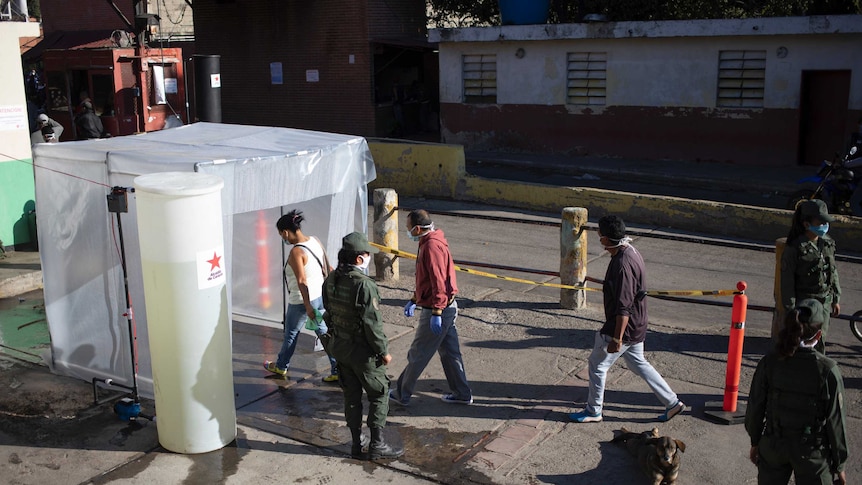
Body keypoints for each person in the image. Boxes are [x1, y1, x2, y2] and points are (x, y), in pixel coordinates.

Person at [570, 215, 684, 423]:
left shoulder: (622, 265)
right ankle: (672, 402)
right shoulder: (631, 251)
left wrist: (616, 339)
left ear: (605, 239)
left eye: (600, 235)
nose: (599, 238)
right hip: (638, 325)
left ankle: (593, 410)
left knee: (597, 366)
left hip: (623, 327)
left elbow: (623, 307)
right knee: (639, 364)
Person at [745, 299, 848, 485]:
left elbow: (755, 407)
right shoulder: (828, 370)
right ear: (818, 335)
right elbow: (836, 422)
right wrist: (839, 465)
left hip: (774, 443)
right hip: (811, 453)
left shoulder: (770, 362)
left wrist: (755, 441)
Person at [322, 232, 403, 460]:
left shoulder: (331, 280)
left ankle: (357, 443)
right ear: (359, 259)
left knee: (352, 396)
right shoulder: (364, 286)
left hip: (340, 348)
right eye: (367, 255)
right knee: (379, 394)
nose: (368, 259)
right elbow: (372, 325)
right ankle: (377, 444)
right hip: (362, 353)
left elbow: (328, 314)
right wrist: (383, 352)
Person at [389, 209, 473, 406]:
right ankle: (462, 393)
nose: (408, 232)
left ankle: (402, 393)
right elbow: (427, 280)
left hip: (439, 310)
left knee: (418, 353)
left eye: (409, 228)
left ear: (418, 228)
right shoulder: (431, 241)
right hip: (447, 307)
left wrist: (436, 311)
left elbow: (438, 282)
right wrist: (414, 298)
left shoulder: (431, 247)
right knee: (450, 354)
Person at [264, 210, 338, 382]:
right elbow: (328, 267)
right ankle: (337, 368)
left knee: (291, 333)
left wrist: (307, 307)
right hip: (319, 296)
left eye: (281, 235)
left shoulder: (297, 252)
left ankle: (281, 366)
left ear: (285, 232)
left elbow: (301, 280)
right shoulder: (315, 240)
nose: (284, 239)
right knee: (324, 333)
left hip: (301, 300)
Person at [780, 199, 841, 354]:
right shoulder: (795, 248)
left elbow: (832, 271)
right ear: (806, 224)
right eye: (820, 222)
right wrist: (791, 310)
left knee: (820, 341)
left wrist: (835, 298)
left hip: (825, 301)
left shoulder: (827, 243)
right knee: (802, 344)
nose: (824, 226)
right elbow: (787, 282)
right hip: (805, 305)